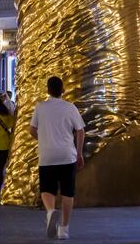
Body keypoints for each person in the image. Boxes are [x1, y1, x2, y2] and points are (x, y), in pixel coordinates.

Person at [30, 76, 85, 241]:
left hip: (47, 155)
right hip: (67, 155)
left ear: (48, 90)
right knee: (68, 191)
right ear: (63, 90)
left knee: (47, 189)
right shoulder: (70, 107)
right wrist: (80, 153)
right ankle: (64, 229)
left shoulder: (40, 107)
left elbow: (32, 130)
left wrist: (43, 138)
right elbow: (81, 130)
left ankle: (50, 211)